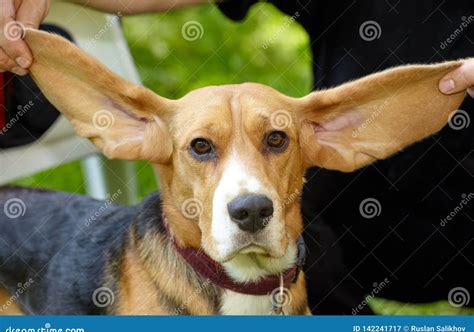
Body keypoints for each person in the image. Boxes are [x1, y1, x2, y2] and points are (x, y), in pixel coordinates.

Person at [1, 0, 472, 314]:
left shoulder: (296, 286)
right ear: (132, 131)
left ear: (326, 138)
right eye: (202, 148)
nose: (247, 196)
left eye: (274, 141)